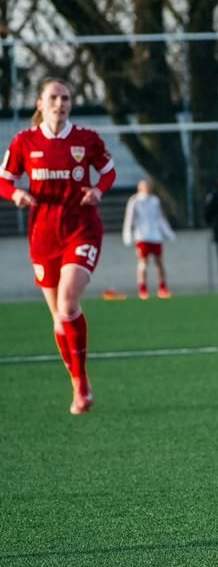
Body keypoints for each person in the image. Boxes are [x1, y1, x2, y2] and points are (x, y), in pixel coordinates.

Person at [0, 77, 117, 414]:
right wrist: (16, 193)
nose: (60, 104)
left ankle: (81, 383)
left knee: (67, 303)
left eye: (65, 98)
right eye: (53, 97)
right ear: (40, 103)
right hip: (43, 234)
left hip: (81, 228)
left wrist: (98, 190)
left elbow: (108, 172)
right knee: (57, 319)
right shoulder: (25, 142)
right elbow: (4, 180)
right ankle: (78, 384)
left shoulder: (86, 139)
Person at [122, 178, 176, 299]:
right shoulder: (135, 201)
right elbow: (129, 219)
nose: (147, 188)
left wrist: (168, 233)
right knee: (143, 263)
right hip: (142, 237)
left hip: (155, 236)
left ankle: (162, 287)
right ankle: (143, 288)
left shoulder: (155, 201)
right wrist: (128, 236)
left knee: (159, 262)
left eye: (148, 186)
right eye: (144, 186)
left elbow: (160, 218)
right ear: (139, 188)